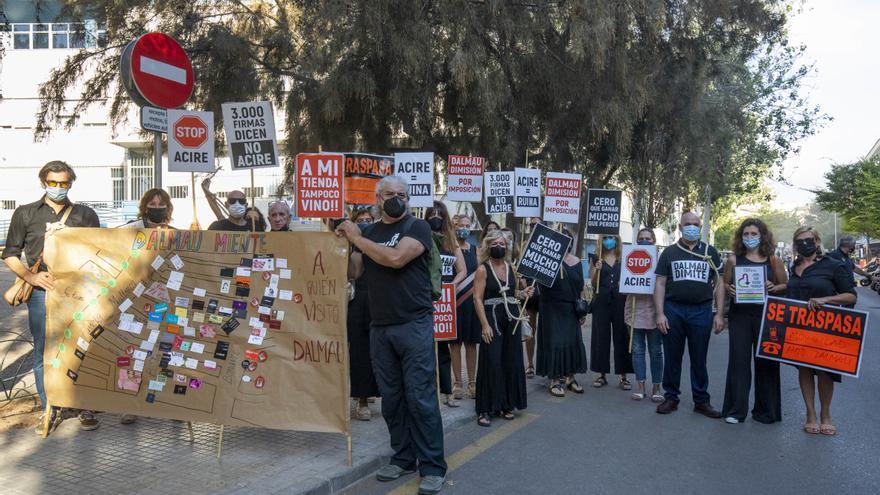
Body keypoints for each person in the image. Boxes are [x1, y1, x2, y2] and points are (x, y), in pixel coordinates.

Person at [336, 176, 447, 494]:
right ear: (377, 197)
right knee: (393, 400)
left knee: (421, 399)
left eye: (403, 194)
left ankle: (433, 466)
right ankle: (402, 457)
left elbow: (396, 258)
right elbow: (355, 270)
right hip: (380, 327)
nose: (397, 199)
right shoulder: (369, 232)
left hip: (414, 324)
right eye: (390, 194)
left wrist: (358, 240)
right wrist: (342, 241)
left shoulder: (417, 228)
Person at [1, 161, 101, 432]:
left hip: (79, 293)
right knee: (44, 350)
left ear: (71, 183)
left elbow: (100, 252)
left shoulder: (85, 214)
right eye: (53, 182)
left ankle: (83, 405)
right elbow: (10, 254)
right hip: (40, 292)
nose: (58, 187)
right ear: (43, 182)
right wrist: (31, 277)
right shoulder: (25, 214)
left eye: (64, 183)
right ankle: (50, 408)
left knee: (82, 348)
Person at [717, 219, 788, 424]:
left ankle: (766, 411)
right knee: (738, 362)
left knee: (766, 361)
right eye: (746, 234)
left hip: (767, 316)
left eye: (753, 234)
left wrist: (773, 287)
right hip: (740, 316)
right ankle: (736, 410)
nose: (749, 238)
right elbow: (724, 284)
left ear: (762, 236)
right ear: (741, 236)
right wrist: (723, 306)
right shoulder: (733, 260)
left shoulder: (773, 260)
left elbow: (784, 285)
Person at [786, 227, 856, 436]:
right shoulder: (794, 266)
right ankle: (810, 414)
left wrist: (826, 300)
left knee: (825, 371)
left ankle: (826, 415)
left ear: (817, 242)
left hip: (826, 328)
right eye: (799, 241)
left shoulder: (833, 266)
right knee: (804, 369)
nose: (804, 244)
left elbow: (851, 296)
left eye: (808, 240)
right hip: (799, 328)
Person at [654, 212, 724, 418]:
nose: (692, 227)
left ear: (701, 227)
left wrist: (719, 314)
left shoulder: (710, 252)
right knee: (673, 356)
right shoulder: (669, 252)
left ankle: (701, 400)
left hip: (701, 311)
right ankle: (671, 397)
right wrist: (659, 314)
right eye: (688, 224)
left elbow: (720, 283)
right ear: (680, 226)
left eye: (696, 224)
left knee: (699, 357)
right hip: (673, 309)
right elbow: (660, 283)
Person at [473, 230, 532, 426]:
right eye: (495, 243)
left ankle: (506, 404)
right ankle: (485, 408)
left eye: (502, 243)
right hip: (492, 317)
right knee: (491, 360)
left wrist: (523, 292)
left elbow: (513, 292)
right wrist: (484, 325)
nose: (499, 246)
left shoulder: (511, 267)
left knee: (511, 359)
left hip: (512, 317)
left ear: (507, 247)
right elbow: (477, 298)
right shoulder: (482, 269)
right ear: (488, 246)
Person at [535, 229, 588, 397]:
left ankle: (570, 377)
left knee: (572, 342)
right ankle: (555, 379)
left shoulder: (577, 261)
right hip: (551, 307)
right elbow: (541, 286)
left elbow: (580, 287)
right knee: (555, 343)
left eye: (568, 238)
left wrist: (582, 311)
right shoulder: (547, 260)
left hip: (571, 308)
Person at [425, 201, 466, 408]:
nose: (436, 218)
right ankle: (429, 392)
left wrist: (451, 286)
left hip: (446, 301)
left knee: (443, 349)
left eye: (440, 214)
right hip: (425, 299)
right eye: (432, 214)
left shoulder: (451, 241)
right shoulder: (422, 239)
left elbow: (462, 270)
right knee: (425, 348)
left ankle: (447, 391)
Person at [347, 206, 379, 421]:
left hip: (379, 302)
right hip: (357, 301)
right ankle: (362, 400)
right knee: (359, 353)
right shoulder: (347, 246)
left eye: (369, 219)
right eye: (360, 220)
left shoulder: (381, 244)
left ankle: (379, 392)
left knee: (379, 352)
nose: (365, 223)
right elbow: (353, 273)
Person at [589, 234, 634, 390]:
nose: (609, 240)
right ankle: (601, 374)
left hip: (621, 301)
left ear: (617, 239)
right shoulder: (595, 258)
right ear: (601, 240)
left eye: (612, 237)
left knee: (622, 336)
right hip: (601, 301)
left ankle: (624, 376)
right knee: (600, 336)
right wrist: (597, 270)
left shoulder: (624, 257)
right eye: (606, 237)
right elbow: (593, 284)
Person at [625, 228, 664, 402]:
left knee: (656, 352)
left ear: (654, 241)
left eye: (648, 238)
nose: (644, 241)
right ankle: (640, 387)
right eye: (641, 238)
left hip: (655, 312)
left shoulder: (661, 260)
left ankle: (657, 388)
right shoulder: (629, 256)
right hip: (634, 311)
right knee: (638, 351)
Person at [451, 214, 481, 400]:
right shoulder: (448, 249)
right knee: (454, 344)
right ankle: (457, 383)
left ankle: (472, 382)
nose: (464, 228)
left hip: (471, 302)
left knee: (471, 343)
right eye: (460, 225)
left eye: (467, 225)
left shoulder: (476, 251)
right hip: (453, 302)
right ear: (453, 226)